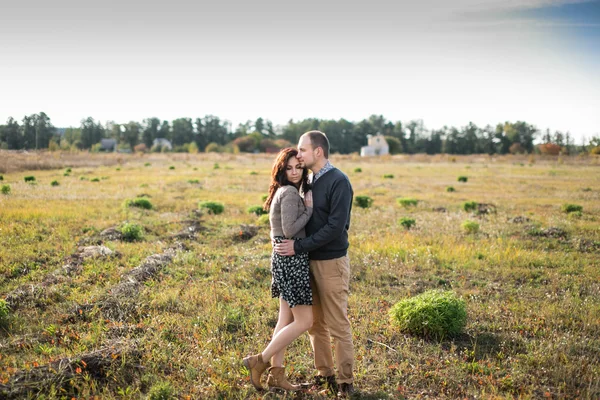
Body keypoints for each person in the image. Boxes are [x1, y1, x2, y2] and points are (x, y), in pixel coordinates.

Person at [274, 130, 356, 396]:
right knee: (315, 324)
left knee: (337, 324)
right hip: (307, 262)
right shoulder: (307, 180)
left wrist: (298, 246)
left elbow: (335, 227)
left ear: (318, 152)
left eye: (303, 150)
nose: (298, 154)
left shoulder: (338, 181)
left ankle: (345, 381)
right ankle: (325, 375)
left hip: (331, 262)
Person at [243, 147, 314, 392]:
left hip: (282, 260)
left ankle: (277, 377)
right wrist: (310, 210)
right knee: (305, 321)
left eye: (299, 167)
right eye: (289, 168)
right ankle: (259, 361)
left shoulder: (281, 191)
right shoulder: (290, 193)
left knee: (285, 320)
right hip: (291, 262)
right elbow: (290, 229)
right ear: (281, 170)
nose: (294, 172)